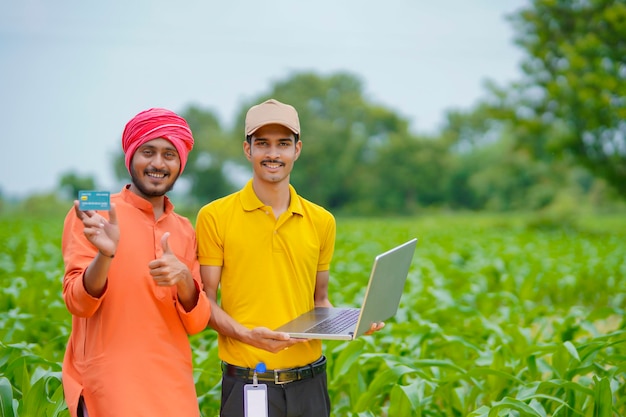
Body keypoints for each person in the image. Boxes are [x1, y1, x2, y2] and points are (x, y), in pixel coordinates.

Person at [195, 98, 383, 417]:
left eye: (283, 144)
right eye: (263, 144)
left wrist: (351, 324)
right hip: (248, 383)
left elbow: (318, 300)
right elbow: (205, 302)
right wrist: (246, 335)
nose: (273, 154)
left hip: (310, 384)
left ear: (297, 149)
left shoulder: (322, 220)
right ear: (247, 149)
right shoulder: (214, 216)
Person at [61, 108, 211, 417]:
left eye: (169, 154)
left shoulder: (184, 228)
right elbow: (78, 303)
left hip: (174, 393)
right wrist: (105, 254)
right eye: (148, 152)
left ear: (180, 163)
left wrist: (184, 278)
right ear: (130, 156)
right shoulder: (96, 211)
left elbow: (197, 322)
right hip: (109, 391)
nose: (158, 163)